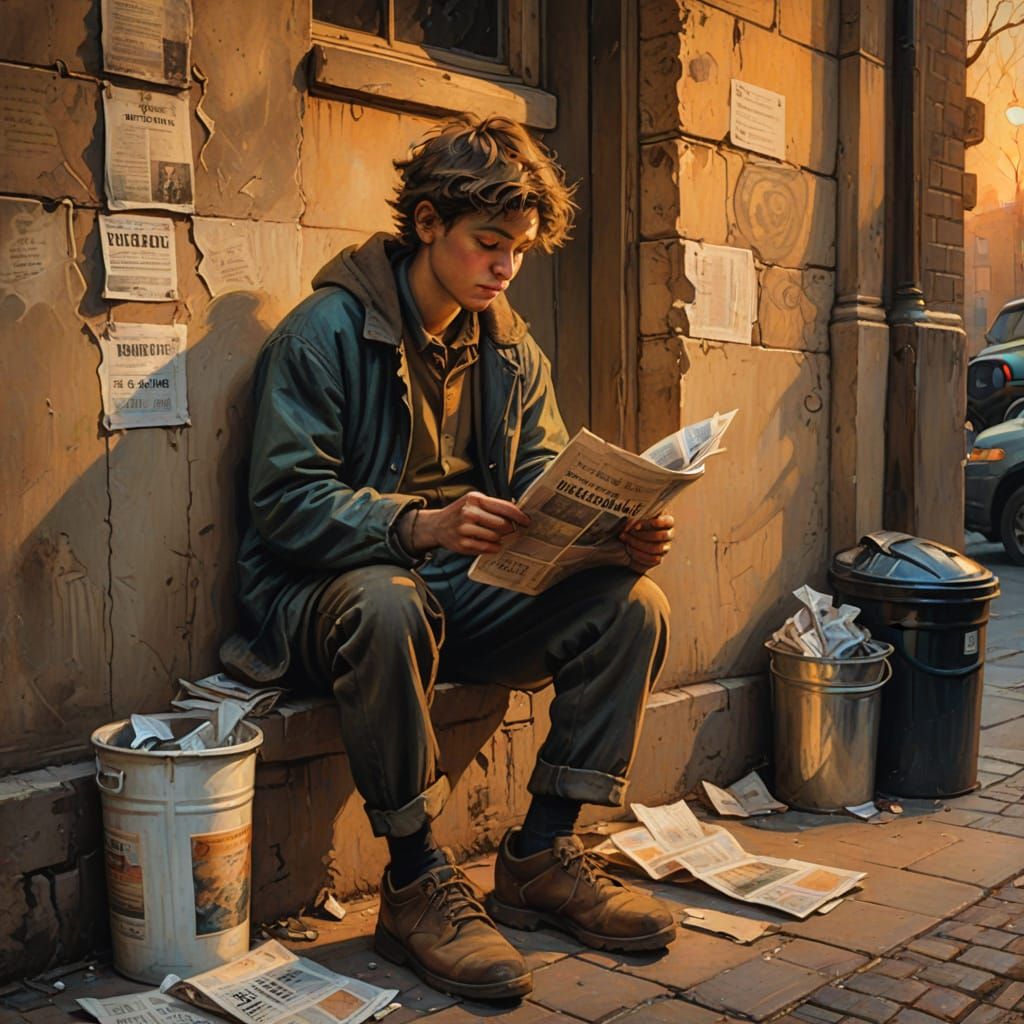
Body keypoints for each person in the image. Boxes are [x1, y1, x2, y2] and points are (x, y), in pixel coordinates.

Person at [221, 115, 678, 1001]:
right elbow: (283, 505)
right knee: (390, 599)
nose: (505, 267)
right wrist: (418, 525)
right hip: (328, 600)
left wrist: (609, 535)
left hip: (463, 594)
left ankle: (542, 853)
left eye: (520, 250)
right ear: (428, 224)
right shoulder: (323, 334)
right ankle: (415, 879)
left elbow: (545, 478)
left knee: (632, 603)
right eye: (489, 243)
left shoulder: (510, 347)